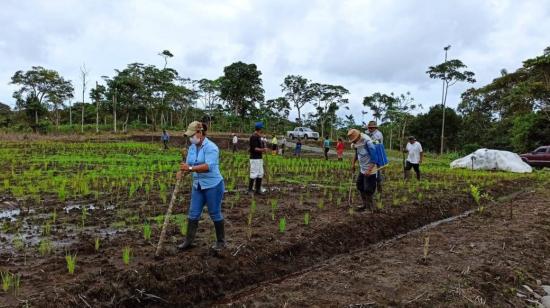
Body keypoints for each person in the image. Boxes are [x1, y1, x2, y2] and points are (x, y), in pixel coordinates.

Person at [176, 121, 225, 251]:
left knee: (214, 212)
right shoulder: (192, 148)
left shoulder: (211, 147)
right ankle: (189, 241)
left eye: (192, 135)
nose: (190, 138)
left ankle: (221, 242)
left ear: (199, 132)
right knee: (193, 213)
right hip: (198, 185)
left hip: (213, 185)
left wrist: (190, 168)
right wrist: (182, 172)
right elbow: (188, 167)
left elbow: (208, 167)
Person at [349, 129, 379, 212]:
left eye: (354, 140)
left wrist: (369, 170)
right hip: (362, 169)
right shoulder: (356, 143)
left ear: (358, 136)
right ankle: (364, 205)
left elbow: (374, 158)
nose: (354, 142)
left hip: (371, 170)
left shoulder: (368, 143)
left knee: (368, 190)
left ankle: (370, 209)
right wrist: (353, 164)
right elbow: (356, 153)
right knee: (360, 185)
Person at [366, 121, 388, 193]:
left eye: (371, 128)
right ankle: (373, 188)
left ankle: (379, 189)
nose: (370, 129)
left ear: (375, 128)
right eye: (369, 127)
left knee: (377, 172)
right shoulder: (369, 133)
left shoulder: (378, 134)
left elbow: (376, 143)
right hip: (370, 154)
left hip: (377, 154)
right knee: (371, 171)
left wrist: (368, 142)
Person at [249, 122, 268, 194]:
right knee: (254, 173)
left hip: (259, 158)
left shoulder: (259, 137)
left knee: (260, 173)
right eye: (262, 128)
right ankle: (250, 189)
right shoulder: (253, 137)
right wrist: (263, 150)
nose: (262, 130)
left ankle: (258, 189)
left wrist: (263, 144)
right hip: (254, 158)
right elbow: (254, 148)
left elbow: (260, 146)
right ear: (260, 129)